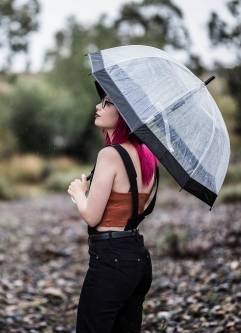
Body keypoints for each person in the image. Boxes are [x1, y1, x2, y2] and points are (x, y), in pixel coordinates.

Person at [68, 82, 159, 332]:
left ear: (123, 114)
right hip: (137, 258)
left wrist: (79, 194)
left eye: (107, 102)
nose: (98, 106)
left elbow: (92, 216)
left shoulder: (109, 155)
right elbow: (127, 207)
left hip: (111, 259)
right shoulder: (148, 156)